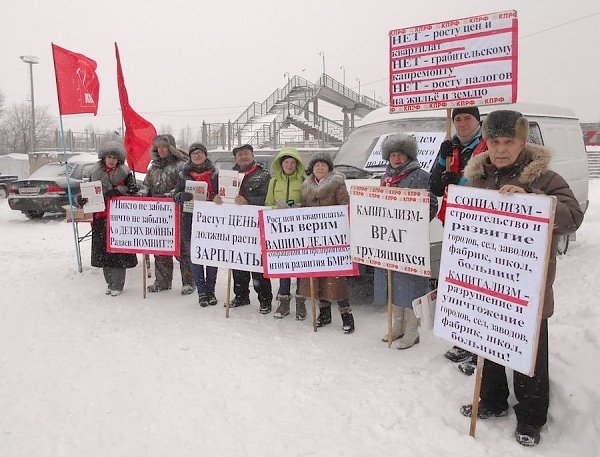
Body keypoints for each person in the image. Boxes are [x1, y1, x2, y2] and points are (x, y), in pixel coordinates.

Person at [458, 110, 584, 447]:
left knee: (529, 354)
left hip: (528, 289)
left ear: (522, 142)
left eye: (508, 141)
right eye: (494, 141)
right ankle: (493, 400)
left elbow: (573, 218)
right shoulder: (477, 176)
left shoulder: (544, 177)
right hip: (487, 281)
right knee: (488, 343)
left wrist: (535, 202)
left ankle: (530, 417)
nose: (500, 149)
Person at [430, 107, 487, 373]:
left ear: (478, 121)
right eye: (458, 119)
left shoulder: (488, 146)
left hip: (481, 225)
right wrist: (442, 164)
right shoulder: (450, 147)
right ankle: (466, 340)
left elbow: (487, 183)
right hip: (454, 220)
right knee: (461, 285)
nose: (462, 123)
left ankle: (482, 351)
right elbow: (435, 187)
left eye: (468, 119)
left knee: (481, 287)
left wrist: (460, 179)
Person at [373, 134, 438, 349]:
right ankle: (397, 325)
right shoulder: (385, 178)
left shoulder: (421, 176)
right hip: (390, 240)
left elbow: (431, 204)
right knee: (392, 280)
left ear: (408, 155)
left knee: (411, 284)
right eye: (392, 154)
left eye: (400, 154)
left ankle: (412, 329)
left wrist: (415, 223)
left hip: (411, 242)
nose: (397, 158)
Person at [297, 152, 355, 334]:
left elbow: (345, 207)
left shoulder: (337, 184)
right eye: (316, 166)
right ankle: (324, 313)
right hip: (313, 239)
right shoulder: (306, 187)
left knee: (336, 279)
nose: (319, 168)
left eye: (323, 165)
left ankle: (347, 315)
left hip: (333, 239)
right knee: (317, 277)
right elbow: (304, 209)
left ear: (329, 168)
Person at [215, 144, 273, 314]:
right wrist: (217, 198)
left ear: (253, 155)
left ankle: (265, 299)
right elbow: (221, 194)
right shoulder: (227, 175)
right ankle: (241, 295)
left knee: (257, 264)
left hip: (255, 226)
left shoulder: (263, 175)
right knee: (238, 261)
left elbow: (266, 199)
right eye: (239, 154)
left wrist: (248, 201)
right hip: (235, 227)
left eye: (246, 154)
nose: (243, 157)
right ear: (235, 158)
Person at [139, 134, 194, 295]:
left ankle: (189, 282)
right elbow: (146, 185)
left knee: (183, 249)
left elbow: (184, 187)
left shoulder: (182, 165)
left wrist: (169, 197)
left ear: (171, 148)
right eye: (159, 147)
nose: (161, 150)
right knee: (160, 248)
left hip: (178, 214)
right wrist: (143, 193)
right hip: (158, 216)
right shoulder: (153, 167)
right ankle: (162, 282)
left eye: (164, 147)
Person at [87, 141, 139, 296]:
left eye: (114, 158)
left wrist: (119, 191)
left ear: (119, 160)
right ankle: (110, 283)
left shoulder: (126, 173)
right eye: (109, 157)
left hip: (120, 218)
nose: (111, 160)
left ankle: (118, 285)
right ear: (103, 157)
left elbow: (133, 190)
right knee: (104, 253)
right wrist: (82, 200)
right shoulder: (93, 172)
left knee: (119, 252)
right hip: (101, 218)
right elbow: (85, 193)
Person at [173, 143, 219, 307]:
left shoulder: (216, 174)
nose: (197, 156)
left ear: (205, 155)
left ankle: (211, 290)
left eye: (200, 153)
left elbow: (224, 194)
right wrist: (181, 196)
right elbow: (175, 195)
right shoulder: (183, 175)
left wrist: (217, 197)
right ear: (190, 157)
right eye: (194, 154)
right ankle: (201, 292)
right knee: (196, 257)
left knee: (212, 256)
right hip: (190, 220)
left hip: (212, 221)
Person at [265, 147, 307, 319]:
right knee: (283, 265)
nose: (289, 165)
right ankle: (283, 302)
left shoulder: (304, 181)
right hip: (280, 231)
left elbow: (310, 203)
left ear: (297, 164)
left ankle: (300, 302)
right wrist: (275, 208)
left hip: (300, 231)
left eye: (292, 162)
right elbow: (268, 203)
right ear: (280, 164)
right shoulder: (274, 182)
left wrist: (300, 208)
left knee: (300, 267)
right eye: (286, 162)